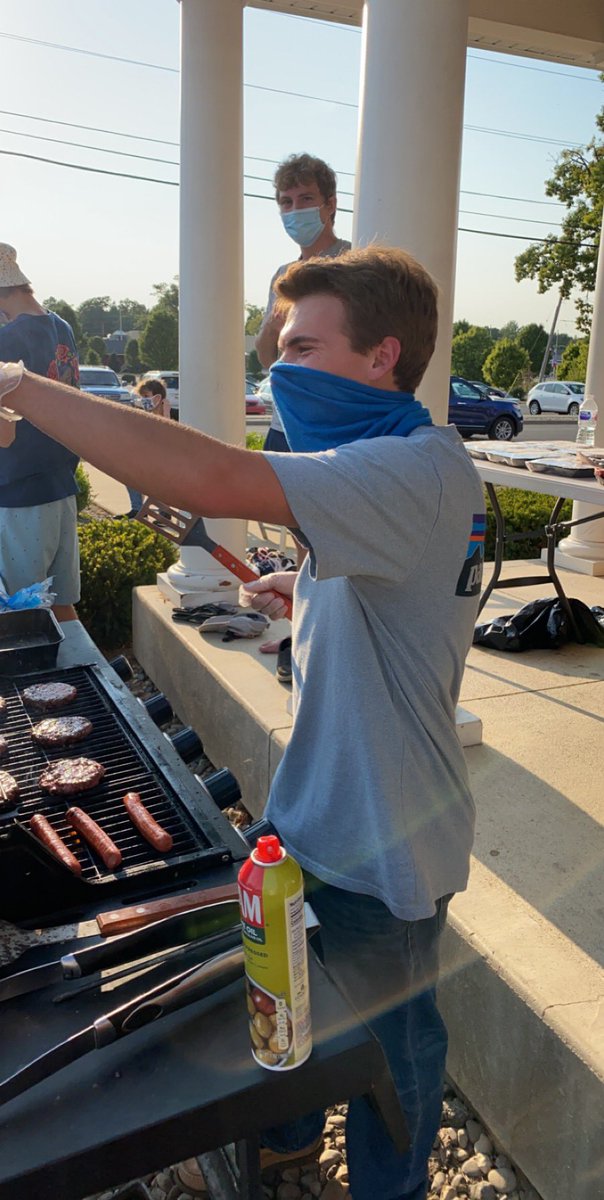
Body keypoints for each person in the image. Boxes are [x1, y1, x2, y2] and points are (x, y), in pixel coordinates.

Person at [0, 245, 485, 1200]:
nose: (279, 366)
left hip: (385, 840)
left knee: (400, 1042)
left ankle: (390, 1187)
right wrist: (298, 603)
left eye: (301, 345)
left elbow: (215, 477)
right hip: (317, 817)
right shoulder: (393, 466)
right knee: (289, 992)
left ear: (384, 355)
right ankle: (293, 1133)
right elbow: (403, 607)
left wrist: (20, 381)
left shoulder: (411, 468)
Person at [0, 243, 80, 621]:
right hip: (61, 484)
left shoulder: (7, 340)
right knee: (61, 604)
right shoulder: (61, 327)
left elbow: (4, 434)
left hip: (18, 491)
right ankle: (91, 673)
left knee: (22, 612)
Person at [255, 152, 351, 452]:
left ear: (330, 205)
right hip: (283, 427)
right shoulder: (283, 276)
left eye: (306, 198)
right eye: (286, 202)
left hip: (335, 429)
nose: (295, 210)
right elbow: (268, 358)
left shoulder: (354, 263)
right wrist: (273, 325)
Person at [120, 379, 171, 518]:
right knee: (131, 477)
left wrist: (157, 410)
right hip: (145, 451)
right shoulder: (143, 410)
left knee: (153, 484)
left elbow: (167, 426)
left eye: (147, 396)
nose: (144, 399)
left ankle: (164, 512)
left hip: (160, 453)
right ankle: (138, 509)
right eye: (142, 396)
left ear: (157, 396)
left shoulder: (164, 405)